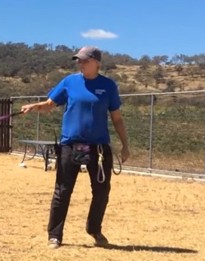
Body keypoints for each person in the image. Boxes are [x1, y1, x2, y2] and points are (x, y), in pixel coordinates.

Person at [21, 46, 130, 249]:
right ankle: (55, 235)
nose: (80, 64)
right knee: (62, 190)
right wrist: (34, 107)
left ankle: (94, 229)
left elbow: (117, 118)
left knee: (102, 191)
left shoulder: (108, 86)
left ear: (96, 62)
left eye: (84, 60)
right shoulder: (69, 82)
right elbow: (50, 104)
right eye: (78, 60)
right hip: (70, 145)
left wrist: (125, 145)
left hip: (98, 148)